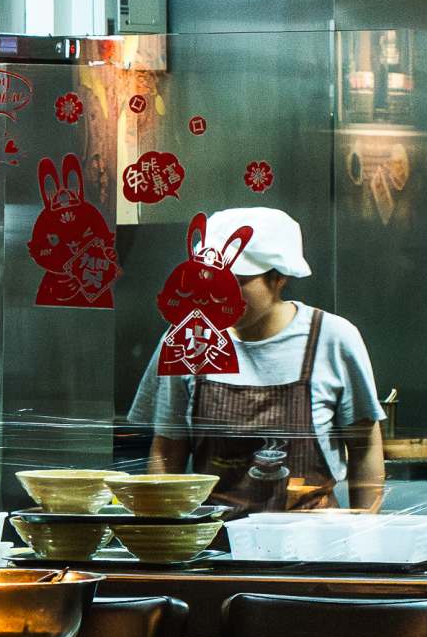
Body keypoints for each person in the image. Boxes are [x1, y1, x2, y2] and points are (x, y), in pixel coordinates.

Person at [131, 204, 389, 513]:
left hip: (316, 545)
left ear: (279, 277)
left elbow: (364, 446)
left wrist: (367, 533)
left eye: (237, 282)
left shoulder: (331, 338)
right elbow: (167, 449)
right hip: (217, 545)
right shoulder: (189, 340)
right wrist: (161, 533)